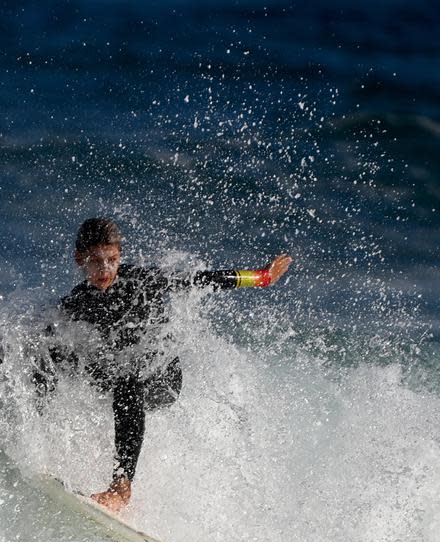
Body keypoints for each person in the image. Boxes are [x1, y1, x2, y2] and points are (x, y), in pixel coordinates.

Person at [34, 218, 291, 512]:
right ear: (80, 258)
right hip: (117, 375)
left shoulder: (140, 282)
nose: (105, 269)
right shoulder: (77, 302)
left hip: (162, 379)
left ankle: (121, 486)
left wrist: (261, 278)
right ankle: (37, 438)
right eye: (96, 261)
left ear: (120, 256)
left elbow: (203, 280)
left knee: (126, 381)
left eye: (112, 260)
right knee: (51, 352)